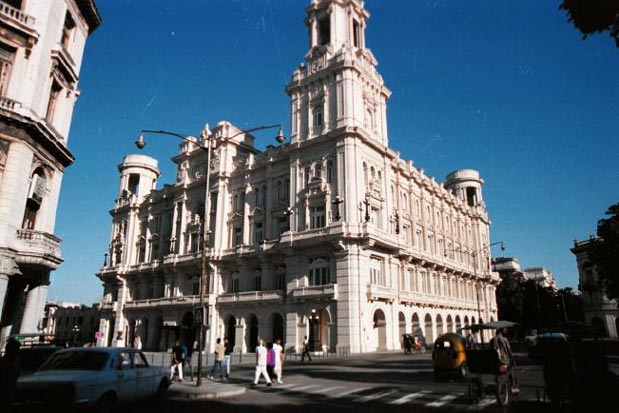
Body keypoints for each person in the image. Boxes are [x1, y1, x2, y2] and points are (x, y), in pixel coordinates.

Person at [493, 328, 518, 392]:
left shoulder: (492, 340)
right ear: (502, 331)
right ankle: (513, 388)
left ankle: (500, 382)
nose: (506, 331)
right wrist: (513, 359)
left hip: (495, 362)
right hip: (504, 361)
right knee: (511, 370)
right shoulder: (504, 339)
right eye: (505, 330)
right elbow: (509, 351)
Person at [0, 338, 21, 412]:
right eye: (17, 348)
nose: (18, 350)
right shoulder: (4, 363)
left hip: (11, 392)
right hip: (4, 394)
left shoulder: (16, 360)